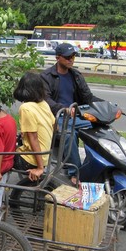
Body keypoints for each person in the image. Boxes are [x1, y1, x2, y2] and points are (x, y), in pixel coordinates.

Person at [40, 42, 104, 182]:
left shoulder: (76, 75)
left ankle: (95, 166)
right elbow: (46, 100)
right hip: (57, 118)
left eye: (73, 56)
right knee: (69, 134)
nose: (71, 59)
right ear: (58, 57)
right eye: (68, 57)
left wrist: (106, 105)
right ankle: (74, 172)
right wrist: (64, 109)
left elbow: (88, 97)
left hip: (76, 116)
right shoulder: (47, 76)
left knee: (100, 128)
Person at [13, 71, 55, 182]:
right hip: (45, 157)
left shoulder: (26, 108)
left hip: (30, 160)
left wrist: (40, 168)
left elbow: (34, 138)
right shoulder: (44, 104)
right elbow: (55, 126)